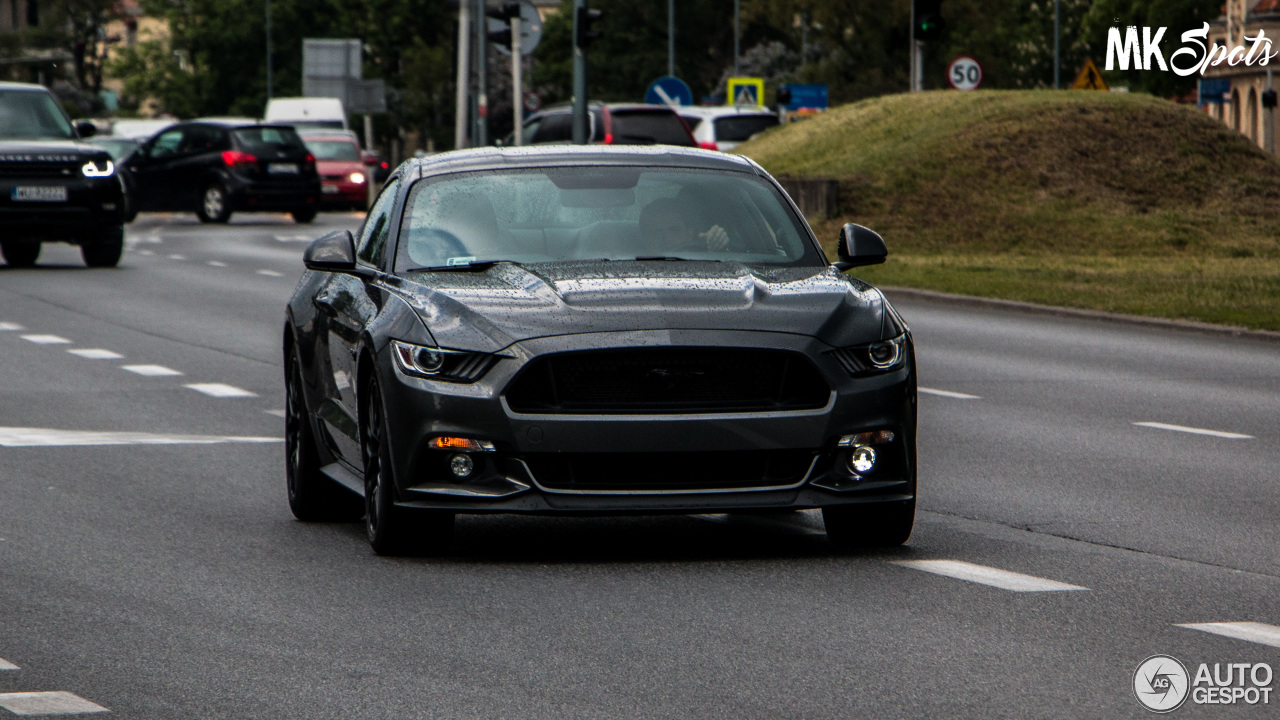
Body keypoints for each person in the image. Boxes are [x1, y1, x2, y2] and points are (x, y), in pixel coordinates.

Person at [638, 197, 733, 254]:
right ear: (644, 238)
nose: (666, 238)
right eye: (657, 232)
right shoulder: (630, 266)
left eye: (674, 230)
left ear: (689, 234)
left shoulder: (703, 264)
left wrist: (716, 242)